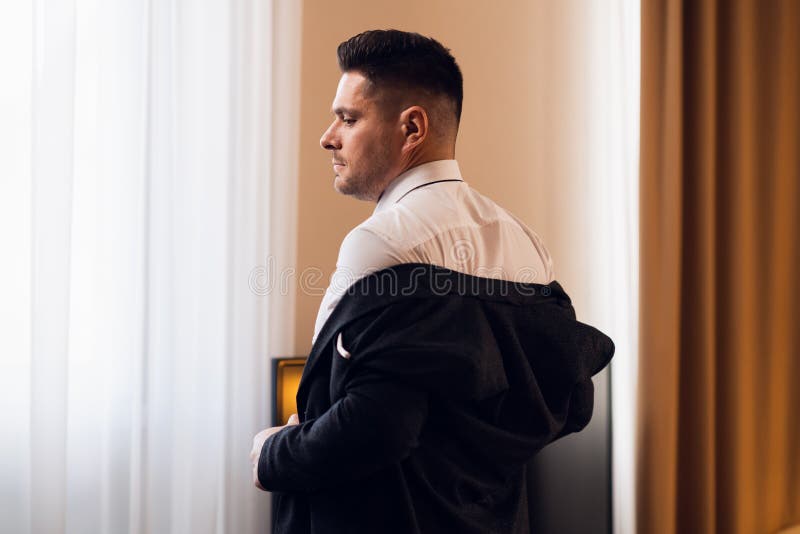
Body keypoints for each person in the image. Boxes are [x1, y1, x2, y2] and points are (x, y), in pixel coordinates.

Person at [250, 30, 614, 534]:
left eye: (348, 119)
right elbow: (560, 406)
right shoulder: (527, 244)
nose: (328, 137)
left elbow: (373, 425)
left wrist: (273, 452)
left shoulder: (381, 243)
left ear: (412, 127)